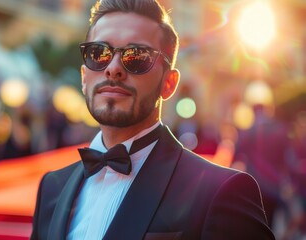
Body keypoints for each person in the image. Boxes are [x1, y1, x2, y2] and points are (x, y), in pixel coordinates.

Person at [31, 0, 275, 239]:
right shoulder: (52, 188)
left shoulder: (221, 192)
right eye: (99, 53)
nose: (113, 68)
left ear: (168, 84)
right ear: (84, 77)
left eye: (136, 56)